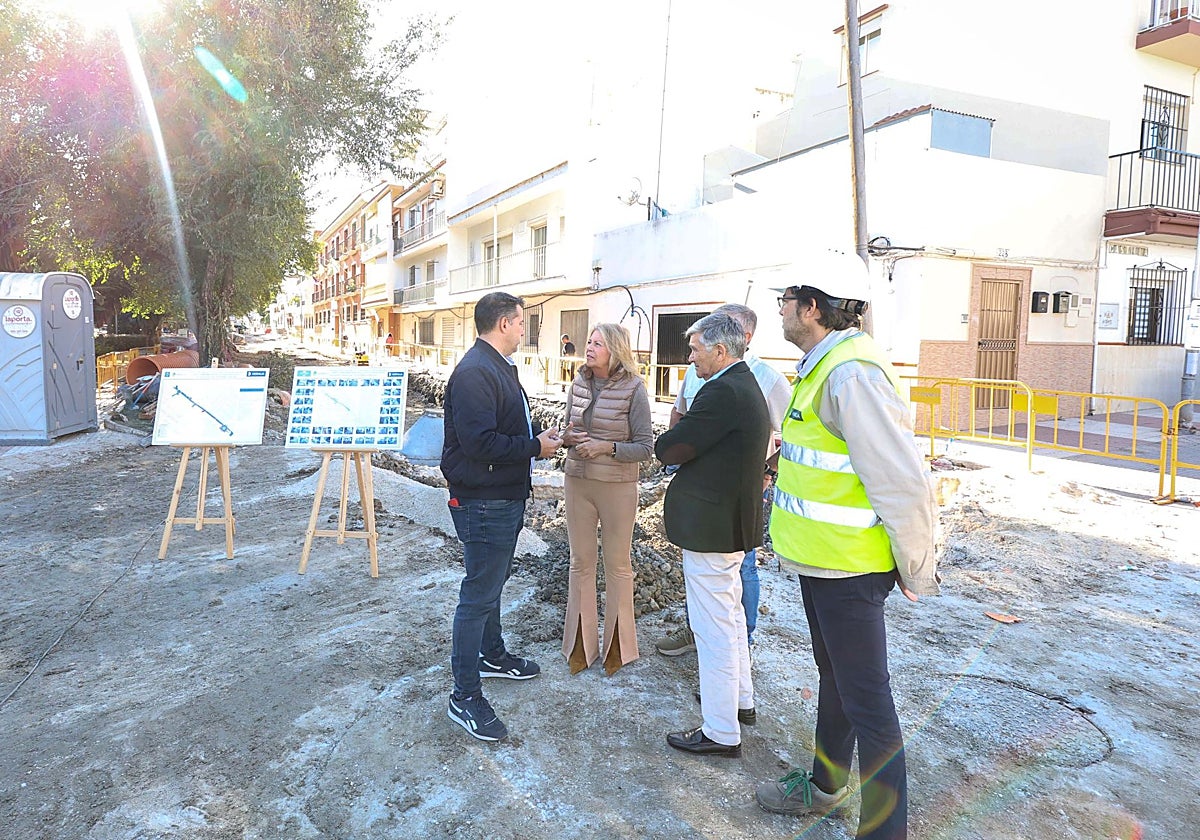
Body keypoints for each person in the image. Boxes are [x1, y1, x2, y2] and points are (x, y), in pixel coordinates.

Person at [755, 253, 938, 840]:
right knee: (835, 679)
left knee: (871, 708)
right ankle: (825, 786)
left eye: (786, 298)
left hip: (850, 571)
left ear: (812, 307)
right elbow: (830, 457)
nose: (779, 307)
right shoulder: (824, 364)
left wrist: (916, 564)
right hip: (823, 563)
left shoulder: (850, 372)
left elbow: (900, 478)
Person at [440, 291, 563, 742]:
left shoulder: (496, 366)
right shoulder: (475, 372)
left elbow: (502, 429)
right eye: (521, 321)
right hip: (483, 500)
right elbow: (479, 444)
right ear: (505, 323)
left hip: (500, 496)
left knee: (491, 582)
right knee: (478, 594)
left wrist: (536, 436)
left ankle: (492, 655)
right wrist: (534, 448)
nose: (524, 329)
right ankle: (464, 695)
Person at [654, 313, 770, 758]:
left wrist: (670, 437)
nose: (690, 357)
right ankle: (741, 704)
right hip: (729, 522)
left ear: (721, 351)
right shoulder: (742, 383)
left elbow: (672, 447)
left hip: (712, 527)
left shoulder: (721, 391)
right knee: (732, 616)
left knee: (713, 626)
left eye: (696, 349)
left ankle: (721, 731)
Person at [654, 303, 791, 659]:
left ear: (728, 345)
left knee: (723, 614)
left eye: (695, 349)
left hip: (722, 512)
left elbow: (790, 435)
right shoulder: (721, 379)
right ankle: (734, 684)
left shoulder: (747, 383)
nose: (689, 357)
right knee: (718, 609)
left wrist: (768, 474)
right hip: (716, 505)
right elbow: (683, 420)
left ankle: (725, 704)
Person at [560, 323, 654, 676]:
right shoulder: (578, 382)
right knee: (580, 563)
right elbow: (566, 428)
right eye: (589, 341)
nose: (589, 347)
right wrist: (567, 436)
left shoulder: (634, 388)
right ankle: (580, 647)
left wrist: (607, 447)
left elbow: (645, 446)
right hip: (577, 482)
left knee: (617, 566)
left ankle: (619, 648)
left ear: (615, 349)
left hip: (616, 486)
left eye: (598, 343)